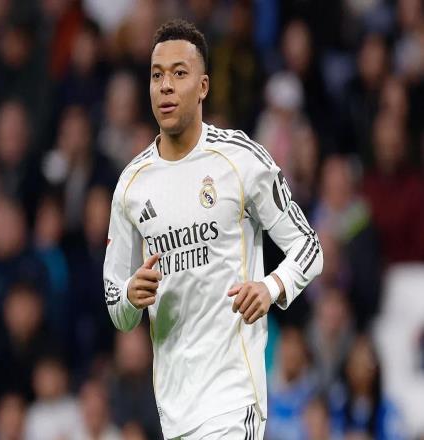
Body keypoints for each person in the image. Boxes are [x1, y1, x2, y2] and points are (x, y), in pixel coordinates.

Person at [103, 19, 323, 439]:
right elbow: (115, 302)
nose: (166, 86)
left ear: (203, 86)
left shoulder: (240, 160)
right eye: (156, 76)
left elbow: (309, 247)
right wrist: (131, 294)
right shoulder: (131, 186)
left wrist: (271, 286)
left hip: (233, 398)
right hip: (174, 407)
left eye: (179, 73)